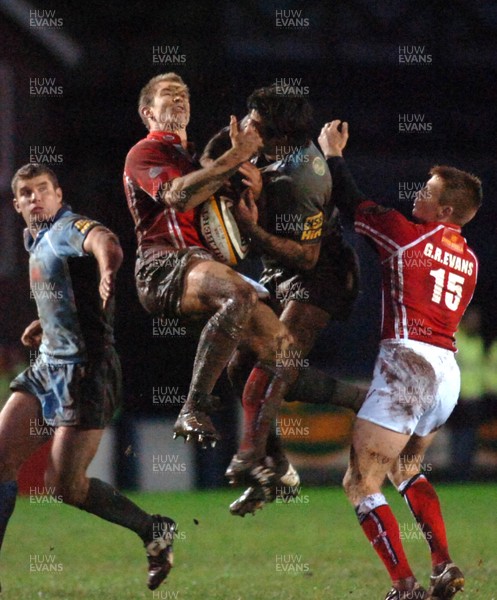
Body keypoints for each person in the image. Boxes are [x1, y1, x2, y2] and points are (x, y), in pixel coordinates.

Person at [318, 121, 482, 600]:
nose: (417, 195)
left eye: (427, 192)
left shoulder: (407, 237)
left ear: (446, 209)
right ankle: (442, 565)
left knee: (359, 480)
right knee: (406, 467)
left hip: (409, 364)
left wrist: (332, 155)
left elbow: (352, 203)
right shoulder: (470, 259)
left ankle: (404, 586)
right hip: (446, 374)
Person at [124, 72, 303, 491]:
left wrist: (250, 200)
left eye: (184, 94)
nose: (180, 99)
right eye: (169, 95)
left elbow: (227, 239)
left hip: (201, 266)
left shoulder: (194, 162)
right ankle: (193, 406)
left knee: (283, 353)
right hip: (162, 267)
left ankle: (267, 460)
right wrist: (233, 156)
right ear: (148, 112)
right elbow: (178, 197)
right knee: (239, 293)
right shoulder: (145, 151)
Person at [0, 163, 175, 591]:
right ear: (17, 204)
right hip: (46, 367)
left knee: (63, 485)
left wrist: (110, 270)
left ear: (59, 196)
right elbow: (65, 289)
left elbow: (105, 241)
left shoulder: (67, 226)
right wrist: (46, 323)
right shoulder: (33, 237)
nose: (35, 198)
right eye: (26, 193)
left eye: (43, 190)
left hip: (87, 373)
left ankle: (153, 528)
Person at [201, 85, 361, 515]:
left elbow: (306, 256)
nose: (245, 124)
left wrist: (249, 227)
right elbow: (207, 163)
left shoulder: (303, 175)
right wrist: (230, 154)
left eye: (253, 120)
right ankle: (280, 467)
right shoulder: (252, 140)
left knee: (275, 361)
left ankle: (250, 458)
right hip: (279, 268)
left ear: (276, 133)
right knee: (239, 365)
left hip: (321, 272)